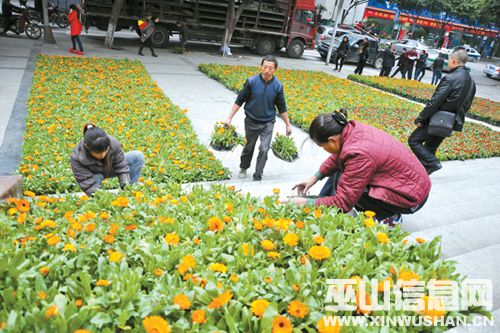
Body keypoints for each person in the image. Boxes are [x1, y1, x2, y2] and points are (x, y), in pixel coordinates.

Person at [289, 110, 431, 226]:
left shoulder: (359, 153)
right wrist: (314, 177)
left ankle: (389, 218)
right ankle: (323, 205)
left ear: (332, 139)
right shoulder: (352, 130)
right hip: (409, 182)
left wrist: (304, 202)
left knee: (347, 186)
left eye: (323, 146)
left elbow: (343, 202)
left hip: (412, 197)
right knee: (342, 175)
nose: (324, 150)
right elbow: (339, 156)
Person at [223, 55, 292, 181]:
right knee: (249, 146)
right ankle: (244, 167)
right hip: (251, 121)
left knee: (264, 148)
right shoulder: (251, 82)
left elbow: (282, 106)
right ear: (261, 67)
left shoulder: (278, 86)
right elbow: (240, 100)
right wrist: (229, 118)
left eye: (270, 68)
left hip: (268, 122)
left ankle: (258, 174)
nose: (266, 70)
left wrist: (287, 124)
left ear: (275, 70)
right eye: (265, 67)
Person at [408, 48, 476, 175]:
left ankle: (433, 163)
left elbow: (435, 102)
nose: (448, 62)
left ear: (454, 61)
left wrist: (421, 118)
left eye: (449, 60)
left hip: (438, 118)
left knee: (414, 140)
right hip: (451, 122)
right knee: (430, 147)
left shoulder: (450, 78)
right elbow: (467, 105)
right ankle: (422, 174)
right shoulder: (471, 82)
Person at [70, 124, 145, 196]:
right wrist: (104, 199)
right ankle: (98, 201)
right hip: (93, 174)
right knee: (95, 179)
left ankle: (132, 191)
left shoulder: (113, 143)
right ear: (87, 147)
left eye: (105, 151)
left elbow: (121, 165)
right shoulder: (77, 157)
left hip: (109, 168)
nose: (102, 155)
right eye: (98, 153)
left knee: (137, 156)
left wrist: (126, 186)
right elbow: (86, 182)